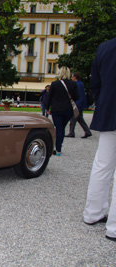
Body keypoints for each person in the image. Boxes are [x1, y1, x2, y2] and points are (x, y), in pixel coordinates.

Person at [83, 37, 116, 242]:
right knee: (102, 166)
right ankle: (113, 227)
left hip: (109, 113)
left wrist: (104, 103)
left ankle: (93, 213)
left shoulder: (105, 47)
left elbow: (95, 85)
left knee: (102, 166)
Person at [46, 66, 78, 156]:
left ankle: (58, 149)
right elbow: (76, 97)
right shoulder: (73, 84)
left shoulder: (55, 84)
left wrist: (47, 108)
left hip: (57, 109)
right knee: (62, 128)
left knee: (58, 128)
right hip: (68, 109)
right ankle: (59, 147)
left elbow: (50, 97)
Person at [65, 72, 92, 138]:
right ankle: (87, 131)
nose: (71, 77)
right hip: (79, 105)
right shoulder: (80, 83)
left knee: (73, 118)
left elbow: (80, 96)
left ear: (75, 77)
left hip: (78, 105)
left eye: (72, 76)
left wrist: (76, 105)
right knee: (80, 119)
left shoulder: (78, 84)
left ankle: (71, 133)